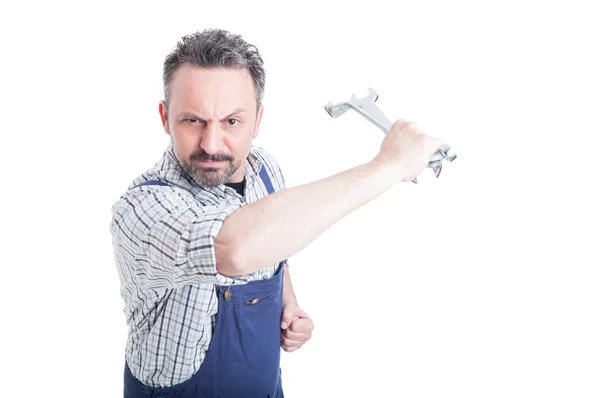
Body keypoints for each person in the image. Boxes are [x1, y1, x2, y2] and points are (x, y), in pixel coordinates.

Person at [110, 28, 443, 398]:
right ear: (164, 116)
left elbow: (272, 246)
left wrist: (289, 304)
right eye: (193, 120)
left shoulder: (265, 169)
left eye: (232, 121)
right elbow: (233, 249)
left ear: (258, 120)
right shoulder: (141, 210)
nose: (211, 143)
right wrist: (387, 167)